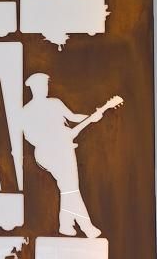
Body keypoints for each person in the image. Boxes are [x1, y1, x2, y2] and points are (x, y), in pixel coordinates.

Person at [22, 72, 101, 238]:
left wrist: (91, 117)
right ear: (33, 88)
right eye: (41, 86)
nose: (44, 88)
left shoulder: (55, 103)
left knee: (68, 188)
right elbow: (29, 135)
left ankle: (66, 225)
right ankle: (87, 227)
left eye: (45, 85)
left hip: (64, 148)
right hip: (50, 153)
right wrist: (50, 140)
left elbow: (72, 117)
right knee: (70, 188)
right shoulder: (26, 111)